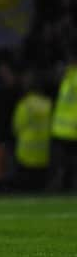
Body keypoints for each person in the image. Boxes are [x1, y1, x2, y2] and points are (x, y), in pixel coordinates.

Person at [11, 70, 52, 191]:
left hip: (25, 152)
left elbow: (16, 126)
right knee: (40, 187)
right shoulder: (48, 104)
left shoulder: (25, 105)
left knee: (26, 187)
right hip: (43, 151)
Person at [47, 54, 77, 192]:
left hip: (65, 129)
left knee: (63, 163)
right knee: (66, 163)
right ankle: (64, 186)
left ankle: (63, 186)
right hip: (66, 129)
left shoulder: (69, 79)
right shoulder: (68, 78)